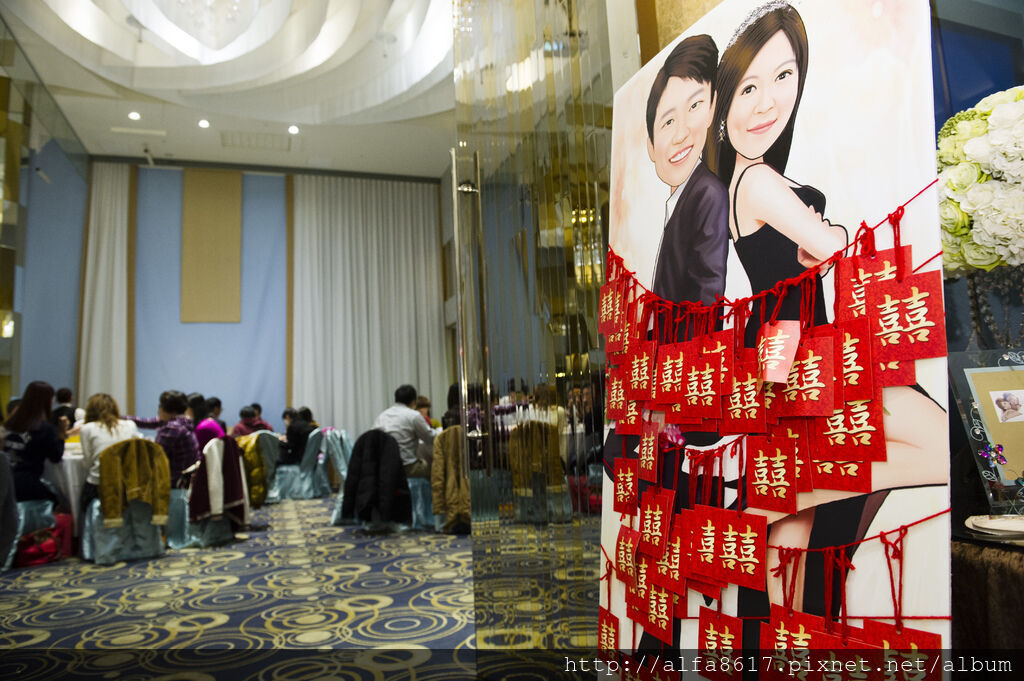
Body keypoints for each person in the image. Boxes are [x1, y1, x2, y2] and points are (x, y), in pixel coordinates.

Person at [705, 1, 948, 620]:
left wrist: (821, 239)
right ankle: (786, 495)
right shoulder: (756, 181)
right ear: (724, 105)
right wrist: (830, 231)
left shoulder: (756, 179)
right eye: (748, 87)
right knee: (931, 446)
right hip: (805, 359)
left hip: (793, 355)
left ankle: (788, 499)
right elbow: (832, 247)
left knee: (801, 564)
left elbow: (816, 254)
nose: (767, 102)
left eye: (783, 77)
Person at [647, 34, 730, 316]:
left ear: (711, 108)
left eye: (694, 106)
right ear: (650, 145)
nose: (681, 134)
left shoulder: (708, 193)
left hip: (687, 345)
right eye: (668, 121)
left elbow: (707, 296)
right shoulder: (678, 200)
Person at [2, 381, 65, 502]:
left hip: (6, 479)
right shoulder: (44, 428)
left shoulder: (10, 424)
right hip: (28, 484)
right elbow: (56, 457)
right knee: (59, 500)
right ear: (47, 401)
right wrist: (61, 435)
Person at [78, 393, 140, 513]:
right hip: (126, 484)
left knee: (83, 501)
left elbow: (87, 464)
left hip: (99, 484)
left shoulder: (87, 429)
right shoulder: (130, 425)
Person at [129, 390, 200, 486]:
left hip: (174, 482)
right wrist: (118, 417)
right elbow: (148, 422)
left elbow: (154, 456)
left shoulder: (173, 428)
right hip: (186, 480)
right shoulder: (184, 421)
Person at [373, 385, 440, 479]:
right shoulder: (413, 416)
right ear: (414, 402)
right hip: (406, 468)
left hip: (383, 467)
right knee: (435, 468)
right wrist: (442, 432)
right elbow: (430, 437)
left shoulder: (382, 416)